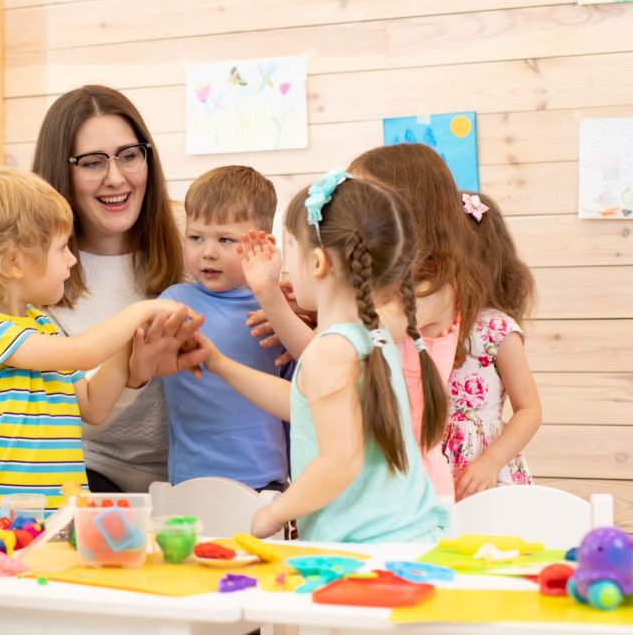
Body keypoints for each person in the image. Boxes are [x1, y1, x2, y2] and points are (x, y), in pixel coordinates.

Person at [201, 169, 448, 542]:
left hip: (368, 553)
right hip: (410, 540)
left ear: (316, 263)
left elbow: (340, 460)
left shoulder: (333, 351)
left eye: (292, 252)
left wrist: (274, 512)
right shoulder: (376, 336)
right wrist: (220, 364)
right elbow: (304, 406)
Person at [0, 168, 205, 513]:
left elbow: (93, 406)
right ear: (13, 262)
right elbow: (83, 353)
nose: (71, 260)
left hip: (62, 516)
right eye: (61, 248)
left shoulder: (43, 329)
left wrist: (133, 345)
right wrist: (140, 311)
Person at [32, 85, 186, 493]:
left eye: (129, 156)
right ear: (59, 172)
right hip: (92, 474)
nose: (116, 178)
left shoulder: (195, 237)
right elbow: (75, 413)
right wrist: (133, 374)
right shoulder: (37, 271)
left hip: (199, 466)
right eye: (92, 163)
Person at [347, 144, 492, 498]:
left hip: (409, 476)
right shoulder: (390, 286)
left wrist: (319, 294)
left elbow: (369, 324)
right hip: (376, 464)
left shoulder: (434, 288)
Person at [158, 166, 291, 491]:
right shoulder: (173, 305)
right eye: (196, 237)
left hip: (267, 481)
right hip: (190, 482)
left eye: (225, 240)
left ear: (263, 246)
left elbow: (299, 405)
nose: (208, 252)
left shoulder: (280, 313)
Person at [443, 191, 541, 499]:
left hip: (486, 468)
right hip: (432, 461)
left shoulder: (496, 329)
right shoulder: (425, 324)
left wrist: (491, 461)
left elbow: (529, 410)